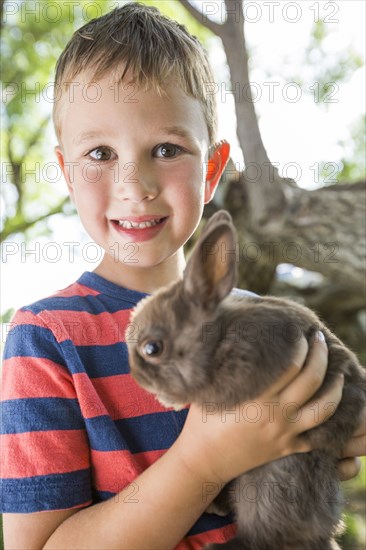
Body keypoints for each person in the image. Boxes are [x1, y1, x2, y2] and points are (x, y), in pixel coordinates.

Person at [1, 4, 364, 549]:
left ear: (212, 170)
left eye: (166, 149)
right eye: (100, 153)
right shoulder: (44, 338)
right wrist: (204, 462)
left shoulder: (252, 315)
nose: (135, 183)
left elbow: (330, 434)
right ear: (68, 174)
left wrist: (330, 424)